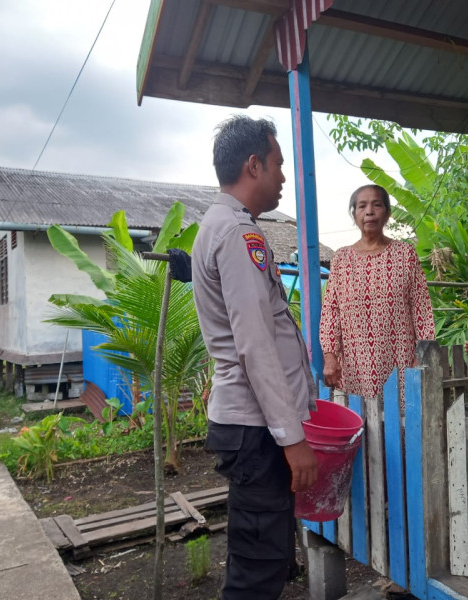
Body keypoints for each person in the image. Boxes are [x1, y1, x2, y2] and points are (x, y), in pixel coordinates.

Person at [191, 115, 318, 600]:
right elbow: (255, 345)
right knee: (257, 573)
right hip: (257, 429)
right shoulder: (236, 234)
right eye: (278, 165)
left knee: (265, 561)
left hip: (252, 424)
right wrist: (291, 438)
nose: (283, 176)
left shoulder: (224, 226)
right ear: (253, 165)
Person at [320, 184, 435, 402]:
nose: (369, 212)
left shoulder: (405, 253)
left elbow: (421, 309)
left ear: (388, 213)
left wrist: (421, 357)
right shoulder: (341, 259)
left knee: (400, 427)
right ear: (354, 214)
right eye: (362, 206)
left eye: (377, 205)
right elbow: (330, 311)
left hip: (401, 361)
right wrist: (330, 356)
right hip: (354, 367)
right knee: (358, 426)